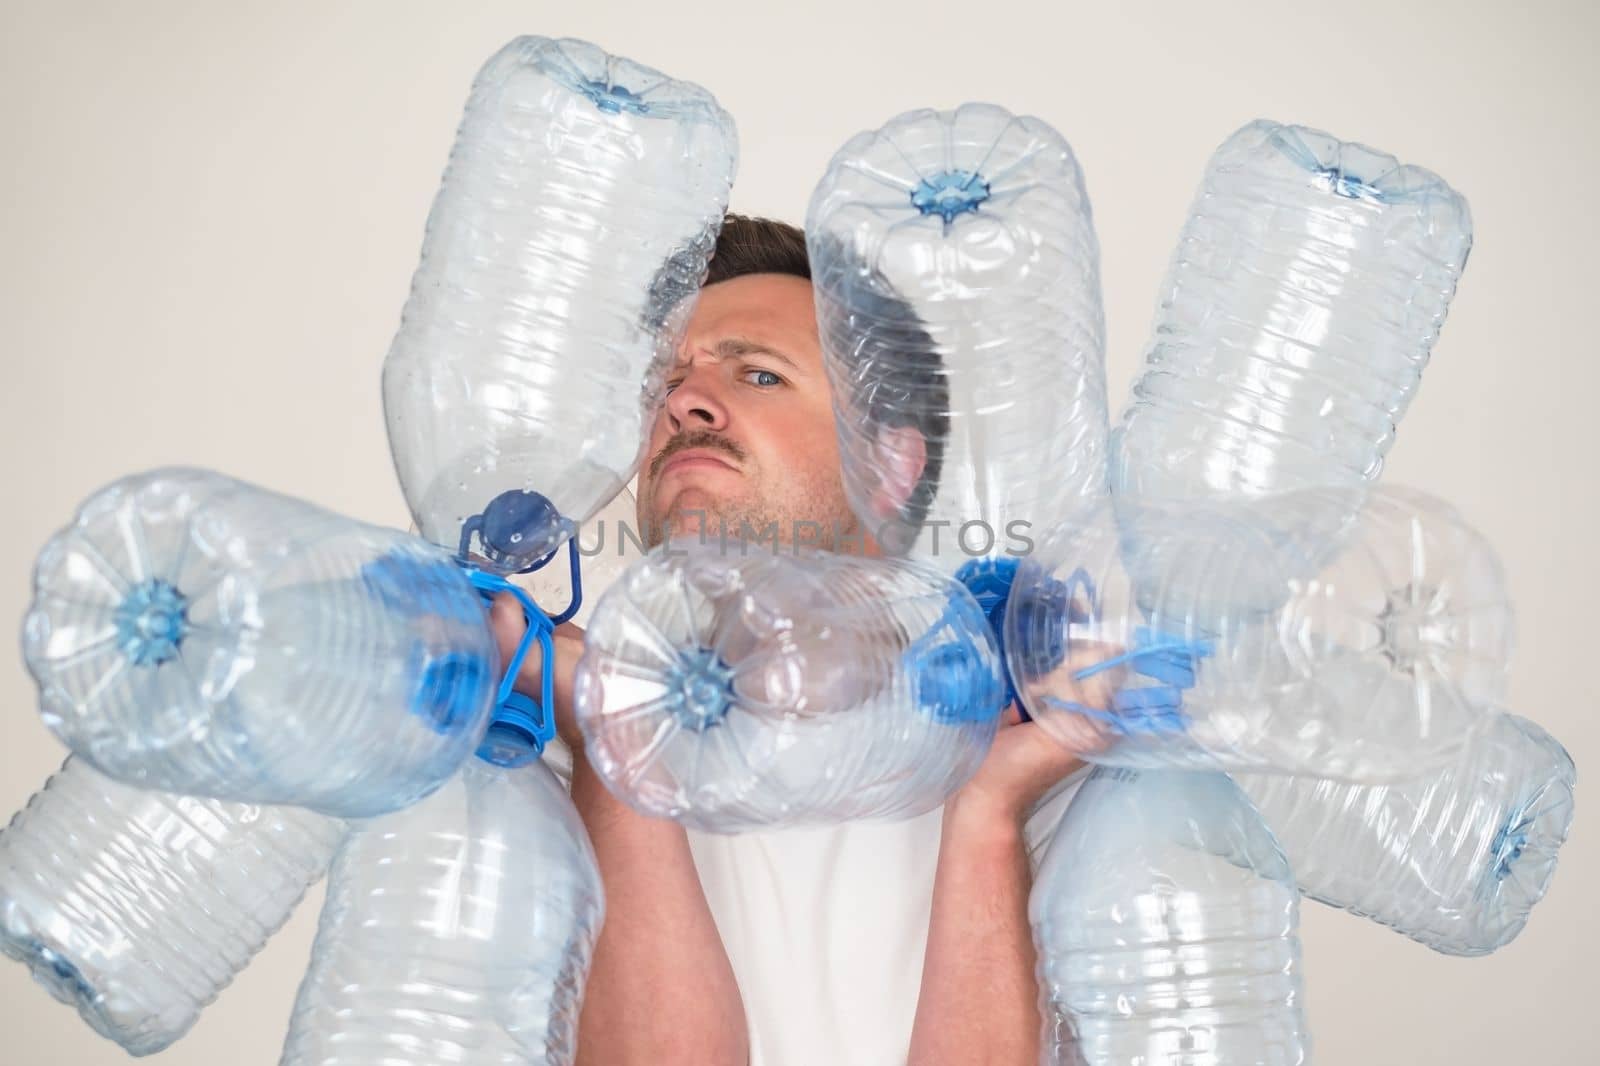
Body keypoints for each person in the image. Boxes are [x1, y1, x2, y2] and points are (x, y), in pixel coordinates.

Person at [490, 214, 1110, 1065]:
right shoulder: (540, 751)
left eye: (759, 373)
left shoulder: (1055, 752)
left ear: (888, 467)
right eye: (663, 384)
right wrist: (611, 735)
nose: (682, 402)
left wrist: (989, 812)